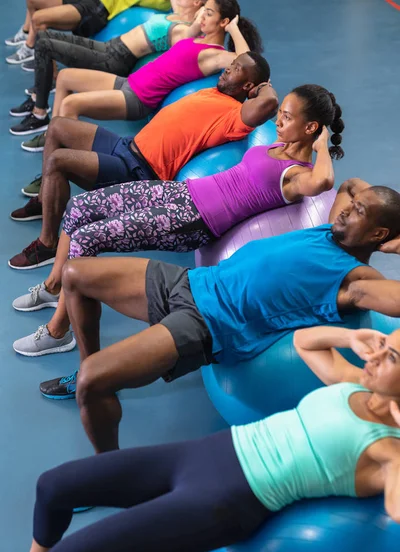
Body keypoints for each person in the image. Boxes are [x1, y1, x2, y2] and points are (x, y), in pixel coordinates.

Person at [2, 324, 400, 552]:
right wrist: (354, 334)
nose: (377, 353)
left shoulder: (387, 450)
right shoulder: (353, 384)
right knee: (53, 486)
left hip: (225, 502)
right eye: (384, 343)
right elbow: (305, 342)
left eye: (392, 355)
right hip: (207, 452)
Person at [35, 179, 400, 451]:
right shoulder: (335, 229)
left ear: (379, 233)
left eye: (360, 211)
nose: (349, 207)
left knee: (93, 381)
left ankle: (108, 471)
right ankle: (86, 359)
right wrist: (365, 208)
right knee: (74, 274)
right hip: (191, 281)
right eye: (353, 205)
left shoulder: (355, 279)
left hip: (208, 323)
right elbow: (351, 184)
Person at [12, 83, 344, 357]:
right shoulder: (279, 144)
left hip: (192, 220)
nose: (278, 121)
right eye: (280, 114)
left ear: (311, 128)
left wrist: (323, 147)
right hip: (182, 192)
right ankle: (56, 287)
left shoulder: (298, 174)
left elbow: (325, 182)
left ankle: (61, 333)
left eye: (286, 117)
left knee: (88, 238)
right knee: (81, 207)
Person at [8, 51, 276, 276]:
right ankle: (45, 201)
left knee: (58, 161)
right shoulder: (215, 91)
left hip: (138, 170)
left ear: (249, 87)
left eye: (236, 69)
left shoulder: (233, 117)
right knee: (57, 126)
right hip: (127, 145)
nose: (228, 69)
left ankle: (47, 243)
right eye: (231, 64)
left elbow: (269, 104)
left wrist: (264, 87)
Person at [10, 0, 263, 139]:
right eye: (202, 12)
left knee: (71, 104)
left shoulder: (213, 55)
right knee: (64, 77)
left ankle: (54, 160)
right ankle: (50, 140)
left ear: (223, 22)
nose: (202, 17)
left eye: (208, 13)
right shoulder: (194, 37)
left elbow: (246, 58)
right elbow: (189, 25)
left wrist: (234, 28)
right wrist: (202, 16)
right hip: (129, 82)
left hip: (138, 97)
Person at [5, 0, 171, 67]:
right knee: (34, 1)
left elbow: (163, 5)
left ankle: (46, 69)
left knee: (40, 18)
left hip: (95, 9)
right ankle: (28, 35)